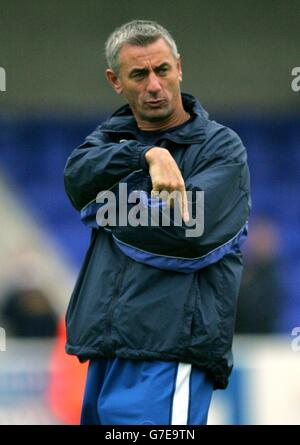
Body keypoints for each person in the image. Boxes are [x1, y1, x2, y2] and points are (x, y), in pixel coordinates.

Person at [64, 20, 251, 425]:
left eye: (162, 70)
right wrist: (144, 157)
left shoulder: (220, 148)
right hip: (107, 350)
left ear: (179, 67)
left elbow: (188, 230)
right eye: (139, 74)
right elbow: (76, 177)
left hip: (172, 351)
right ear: (115, 81)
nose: (154, 85)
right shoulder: (109, 139)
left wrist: (103, 207)